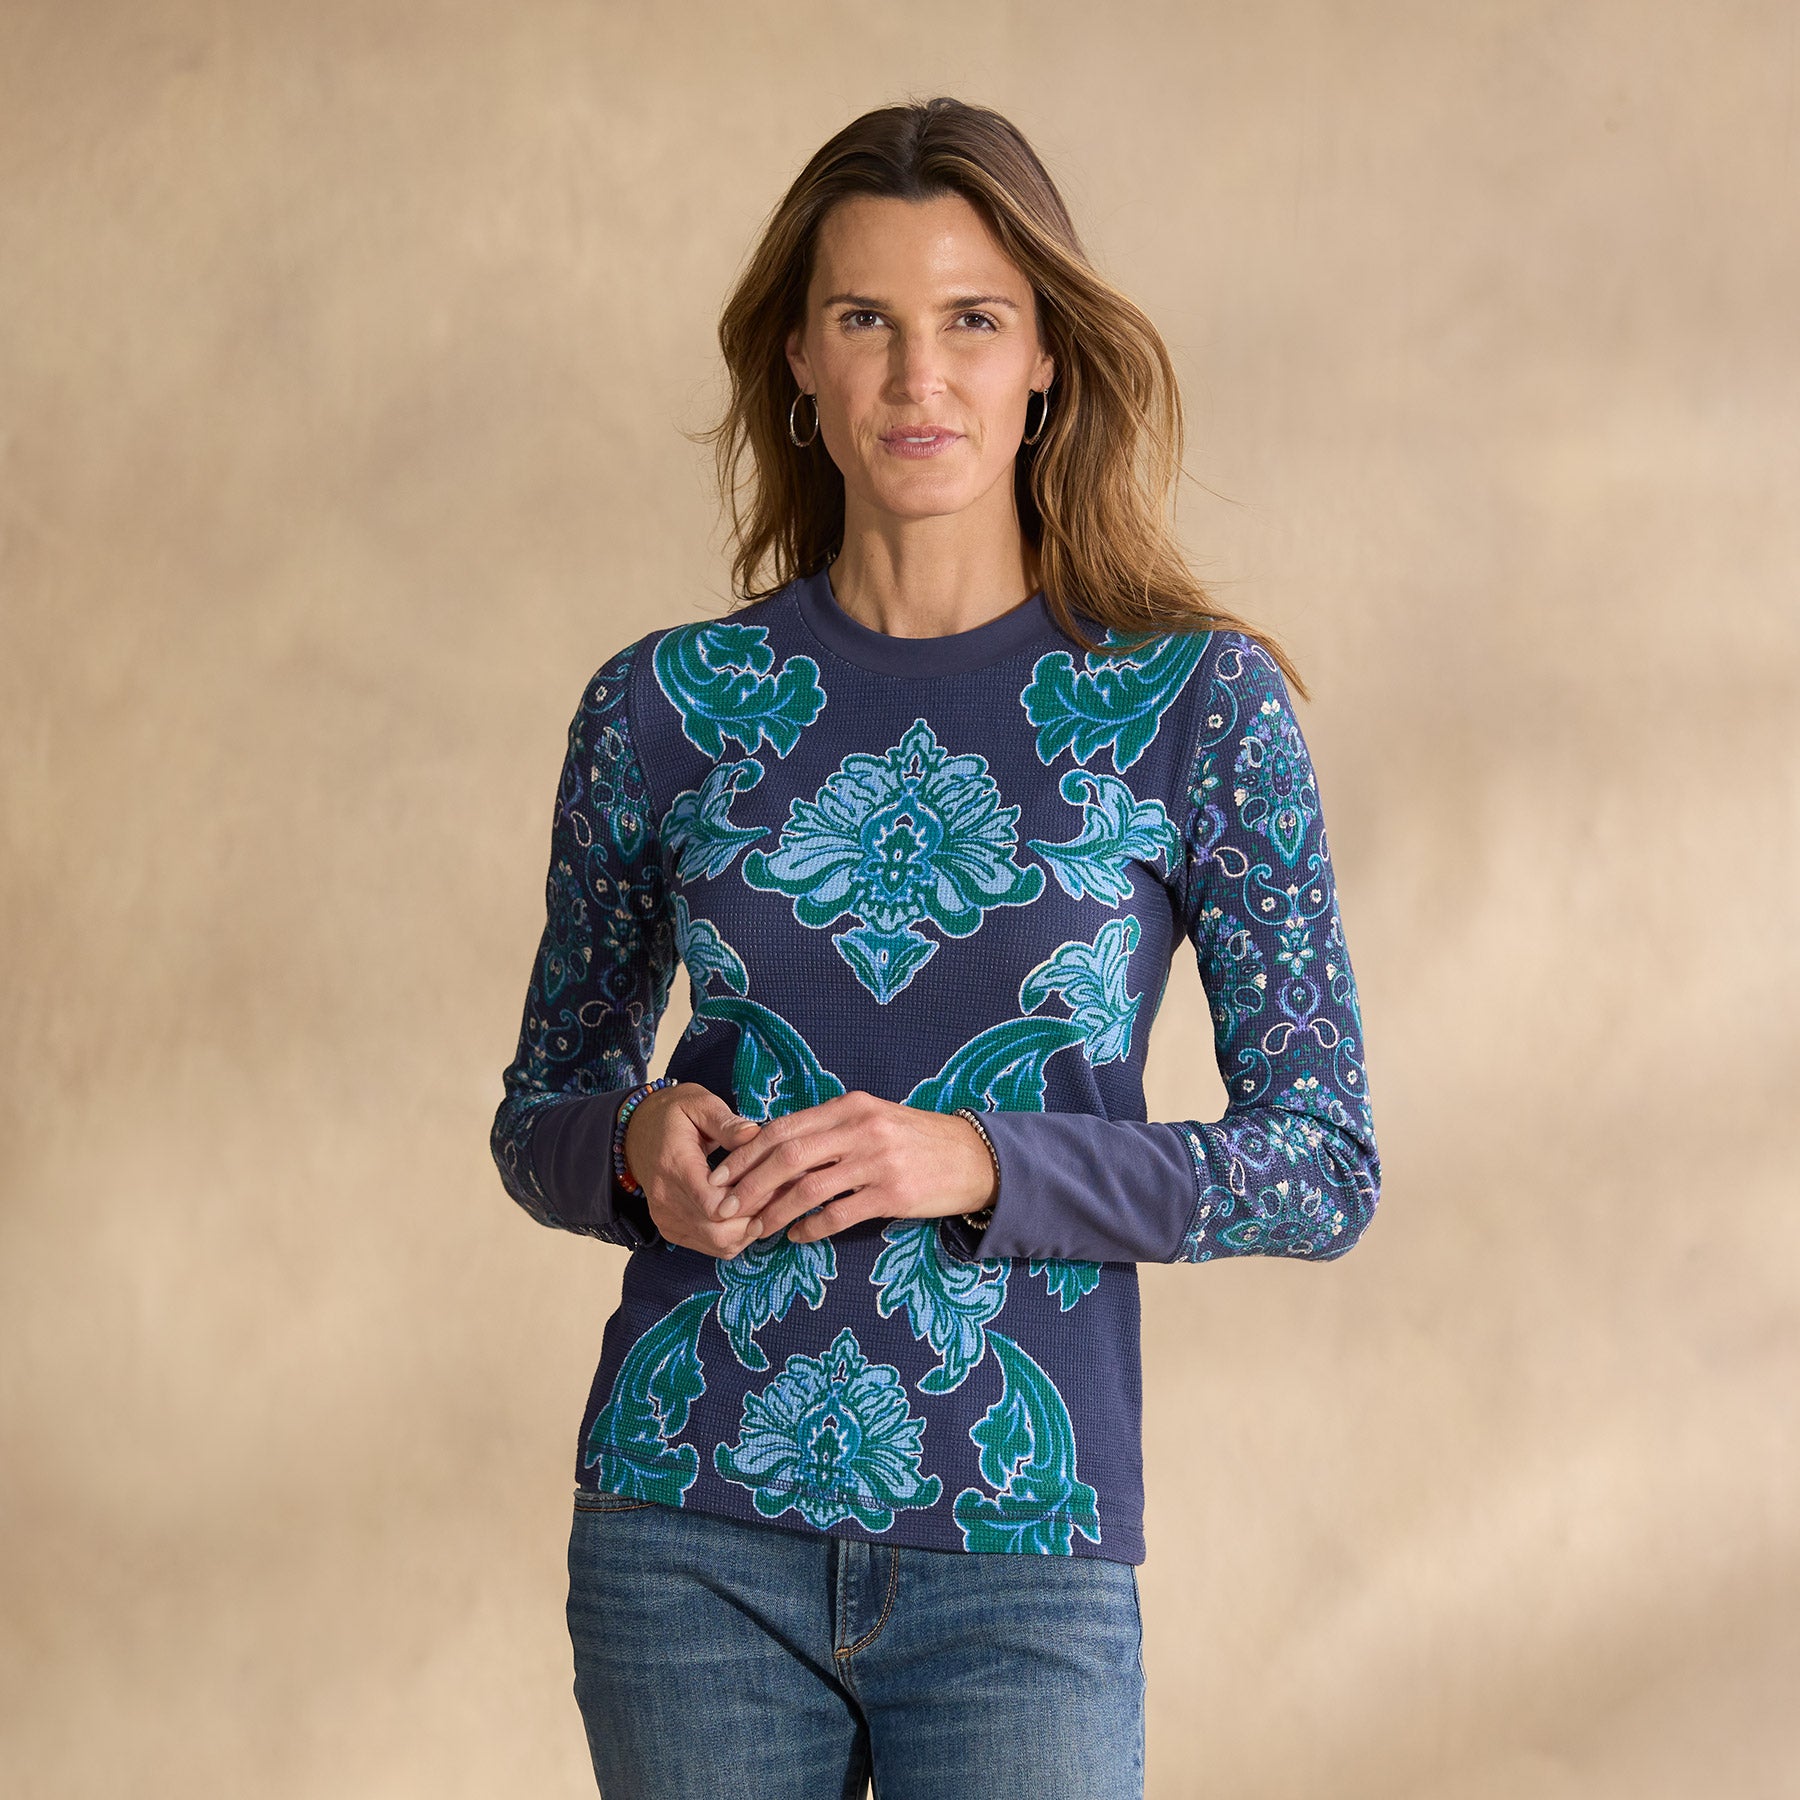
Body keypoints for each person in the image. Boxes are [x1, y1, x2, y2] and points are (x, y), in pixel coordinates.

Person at [490, 95, 1380, 1800]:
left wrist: (983, 1161)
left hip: (1021, 1548)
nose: (920, 378)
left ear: (1045, 359)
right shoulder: (664, 708)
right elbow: (541, 1110)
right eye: (865, 320)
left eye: (972, 319)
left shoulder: (1195, 709)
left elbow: (1323, 1167)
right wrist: (629, 1145)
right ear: (799, 361)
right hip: (683, 1528)